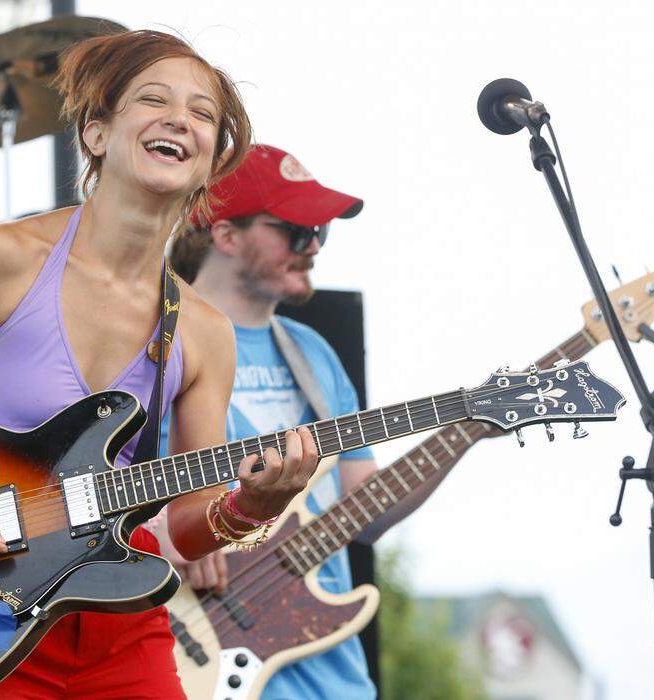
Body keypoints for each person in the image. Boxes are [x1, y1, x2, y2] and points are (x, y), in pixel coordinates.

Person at [0, 31, 319, 698]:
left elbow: (193, 532)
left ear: (209, 166)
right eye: (153, 100)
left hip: (119, 625)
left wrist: (257, 507)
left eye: (202, 115)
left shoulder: (204, 331)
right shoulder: (4, 258)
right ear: (97, 133)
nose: (179, 120)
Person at [163, 143, 457, 699]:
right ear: (226, 236)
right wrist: (170, 538)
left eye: (322, 232)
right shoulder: (158, 343)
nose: (315, 246)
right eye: (296, 232)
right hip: (189, 658)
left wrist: (465, 430)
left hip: (330, 671)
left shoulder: (313, 353)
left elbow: (364, 508)